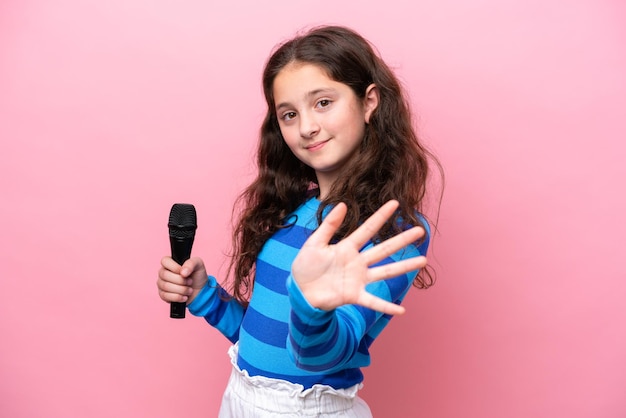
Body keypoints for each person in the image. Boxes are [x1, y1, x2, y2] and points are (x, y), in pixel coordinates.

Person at [157, 25, 441, 417]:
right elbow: (262, 341)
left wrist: (312, 308)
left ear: (369, 101)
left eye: (323, 102)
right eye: (289, 114)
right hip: (239, 398)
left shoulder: (394, 229)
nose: (306, 127)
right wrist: (203, 294)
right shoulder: (289, 210)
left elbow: (323, 356)